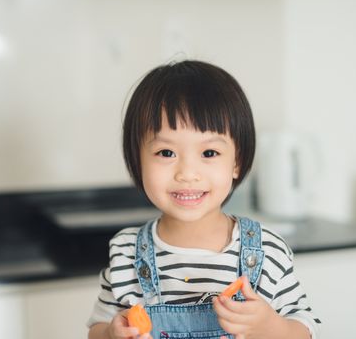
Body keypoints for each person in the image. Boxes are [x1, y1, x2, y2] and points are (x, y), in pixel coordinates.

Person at [87, 60, 321, 339]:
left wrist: (272, 328)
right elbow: (97, 330)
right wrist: (111, 334)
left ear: (237, 162)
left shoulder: (267, 251)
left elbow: (306, 330)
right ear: (138, 162)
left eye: (209, 153)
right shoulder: (126, 253)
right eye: (166, 153)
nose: (187, 173)